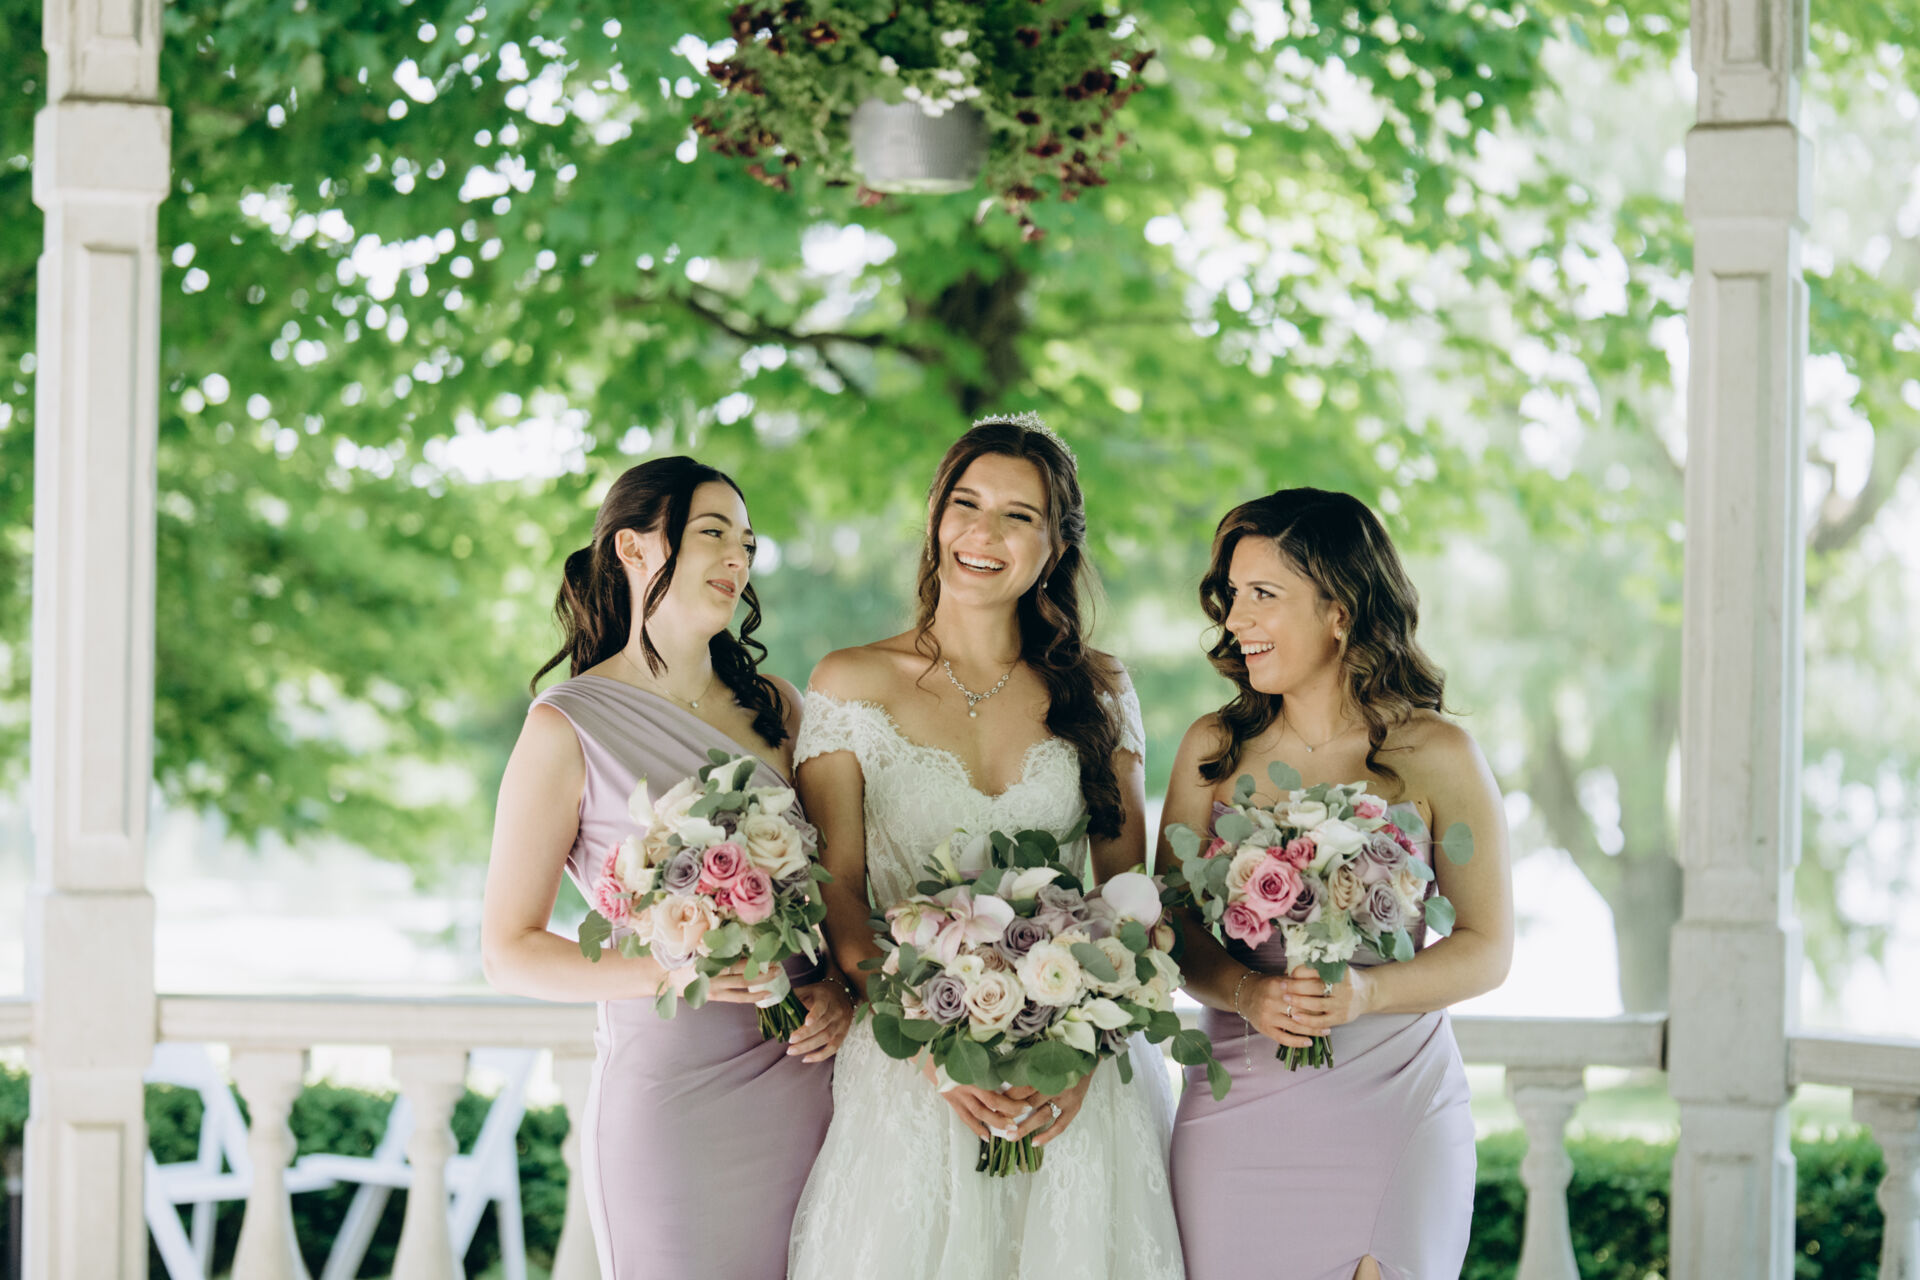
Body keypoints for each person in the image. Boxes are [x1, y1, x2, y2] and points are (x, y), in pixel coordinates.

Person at [787, 416, 1185, 1280]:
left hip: (1076, 1074)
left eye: (1018, 516)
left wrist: (1083, 1053)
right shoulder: (851, 682)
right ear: (936, 519)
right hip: (912, 1069)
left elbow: (1128, 894)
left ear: (1056, 546)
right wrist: (931, 1044)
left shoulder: (1100, 688)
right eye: (965, 505)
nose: (983, 533)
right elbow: (838, 889)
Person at [480, 456, 853, 1279]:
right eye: (713, 532)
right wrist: (667, 971)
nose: (737, 558)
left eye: (747, 543)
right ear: (633, 548)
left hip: (805, 1079)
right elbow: (508, 951)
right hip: (674, 1102)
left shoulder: (779, 709)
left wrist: (838, 990)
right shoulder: (565, 727)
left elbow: (839, 890)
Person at [1165, 487, 1512, 1280]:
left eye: (1263, 594)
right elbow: (1172, 927)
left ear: (1340, 610)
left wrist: (1365, 993)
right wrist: (1248, 993)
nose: (1236, 619)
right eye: (1232, 595)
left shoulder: (1439, 755)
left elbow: (1488, 947)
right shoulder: (1214, 750)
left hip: (1395, 1103)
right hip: (1237, 1110)